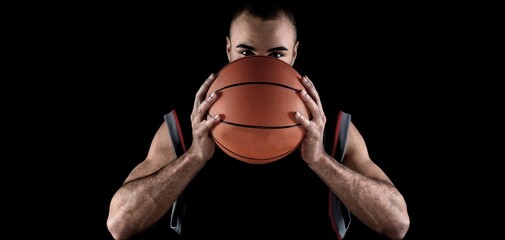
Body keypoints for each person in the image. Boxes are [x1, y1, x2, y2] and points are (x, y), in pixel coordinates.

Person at [106, 2, 410, 239]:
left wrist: (321, 162)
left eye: (276, 55)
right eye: (246, 52)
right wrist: (194, 158)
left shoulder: (331, 130)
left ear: (294, 54)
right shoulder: (189, 128)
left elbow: (397, 224)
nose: (261, 67)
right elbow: (119, 224)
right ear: (228, 49)